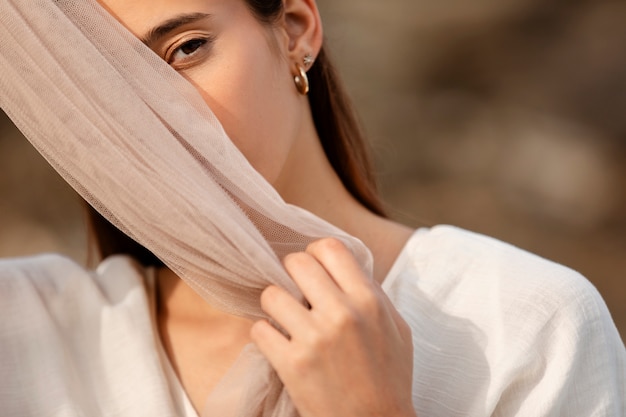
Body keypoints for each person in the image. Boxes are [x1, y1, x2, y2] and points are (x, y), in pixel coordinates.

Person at [0, 0, 624, 416]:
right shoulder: (26, 333)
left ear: (296, 29)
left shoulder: (523, 324)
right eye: (101, 91)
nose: (157, 119)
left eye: (187, 49)